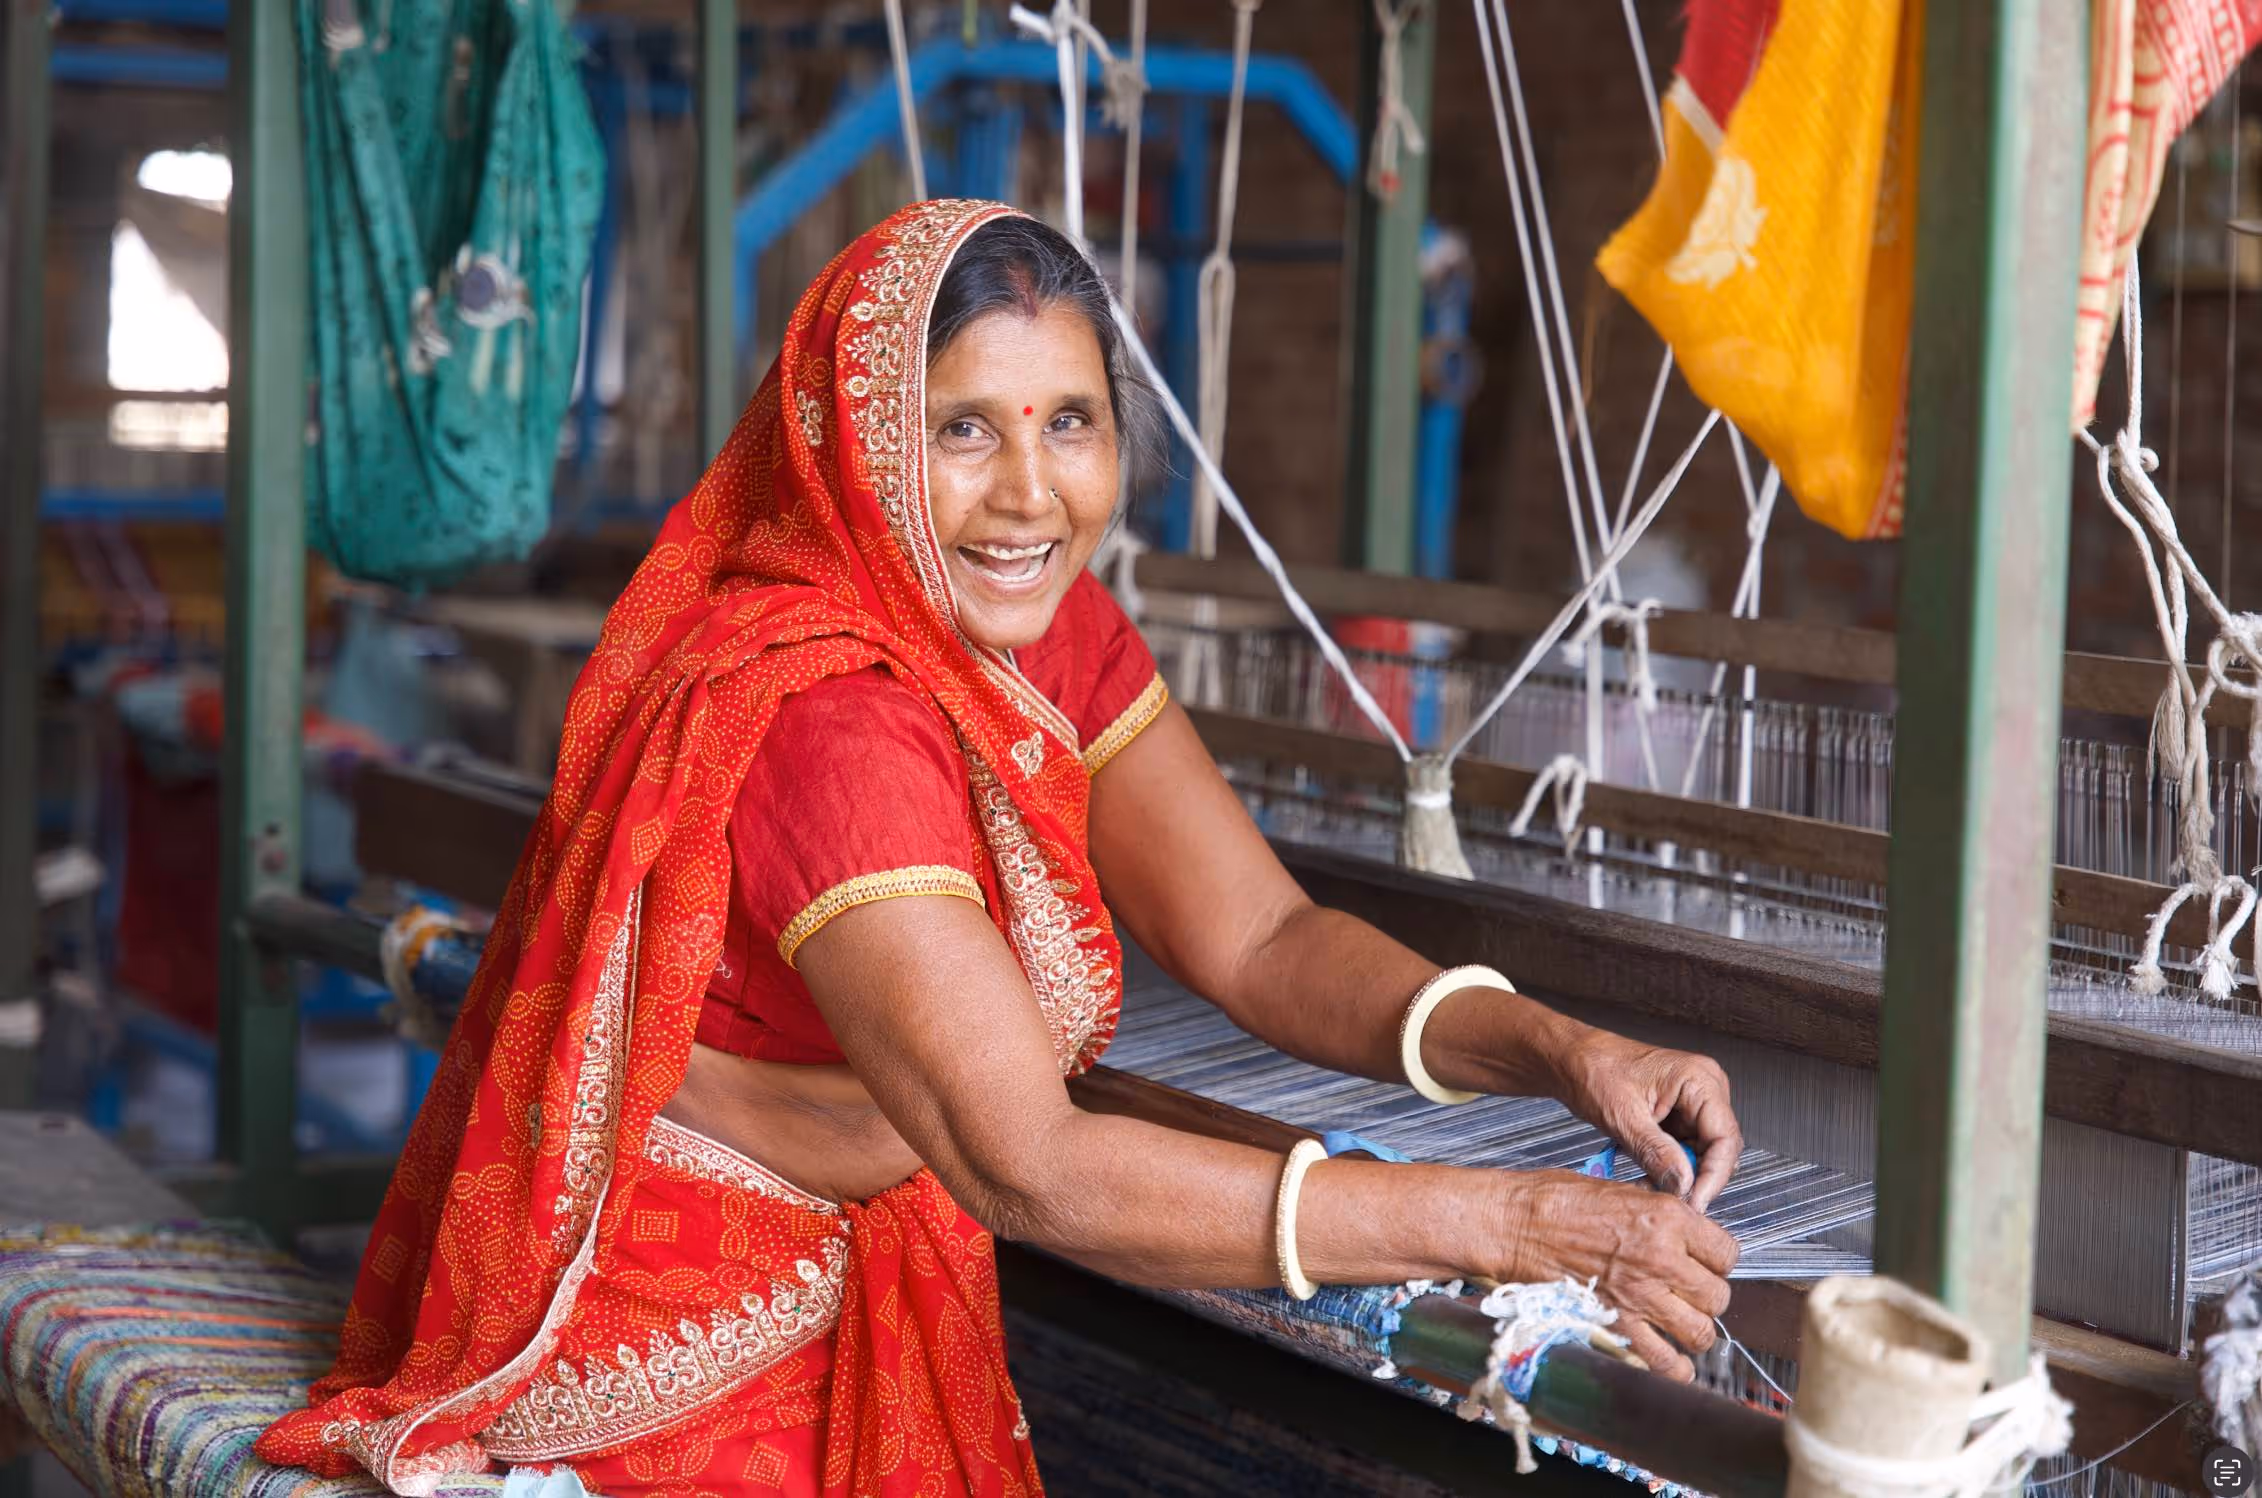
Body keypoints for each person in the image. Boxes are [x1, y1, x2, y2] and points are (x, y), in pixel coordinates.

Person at [259, 200, 1741, 1497]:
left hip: (876, 1227)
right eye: (964, 427)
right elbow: (1032, 1165)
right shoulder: (828, 709)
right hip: (690, 1331)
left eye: (1069, 423)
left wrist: (1561, 1049)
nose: (1031, 494)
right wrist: (1515, 1220)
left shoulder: (1040, 628)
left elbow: (1261, 941)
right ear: (857, 443)